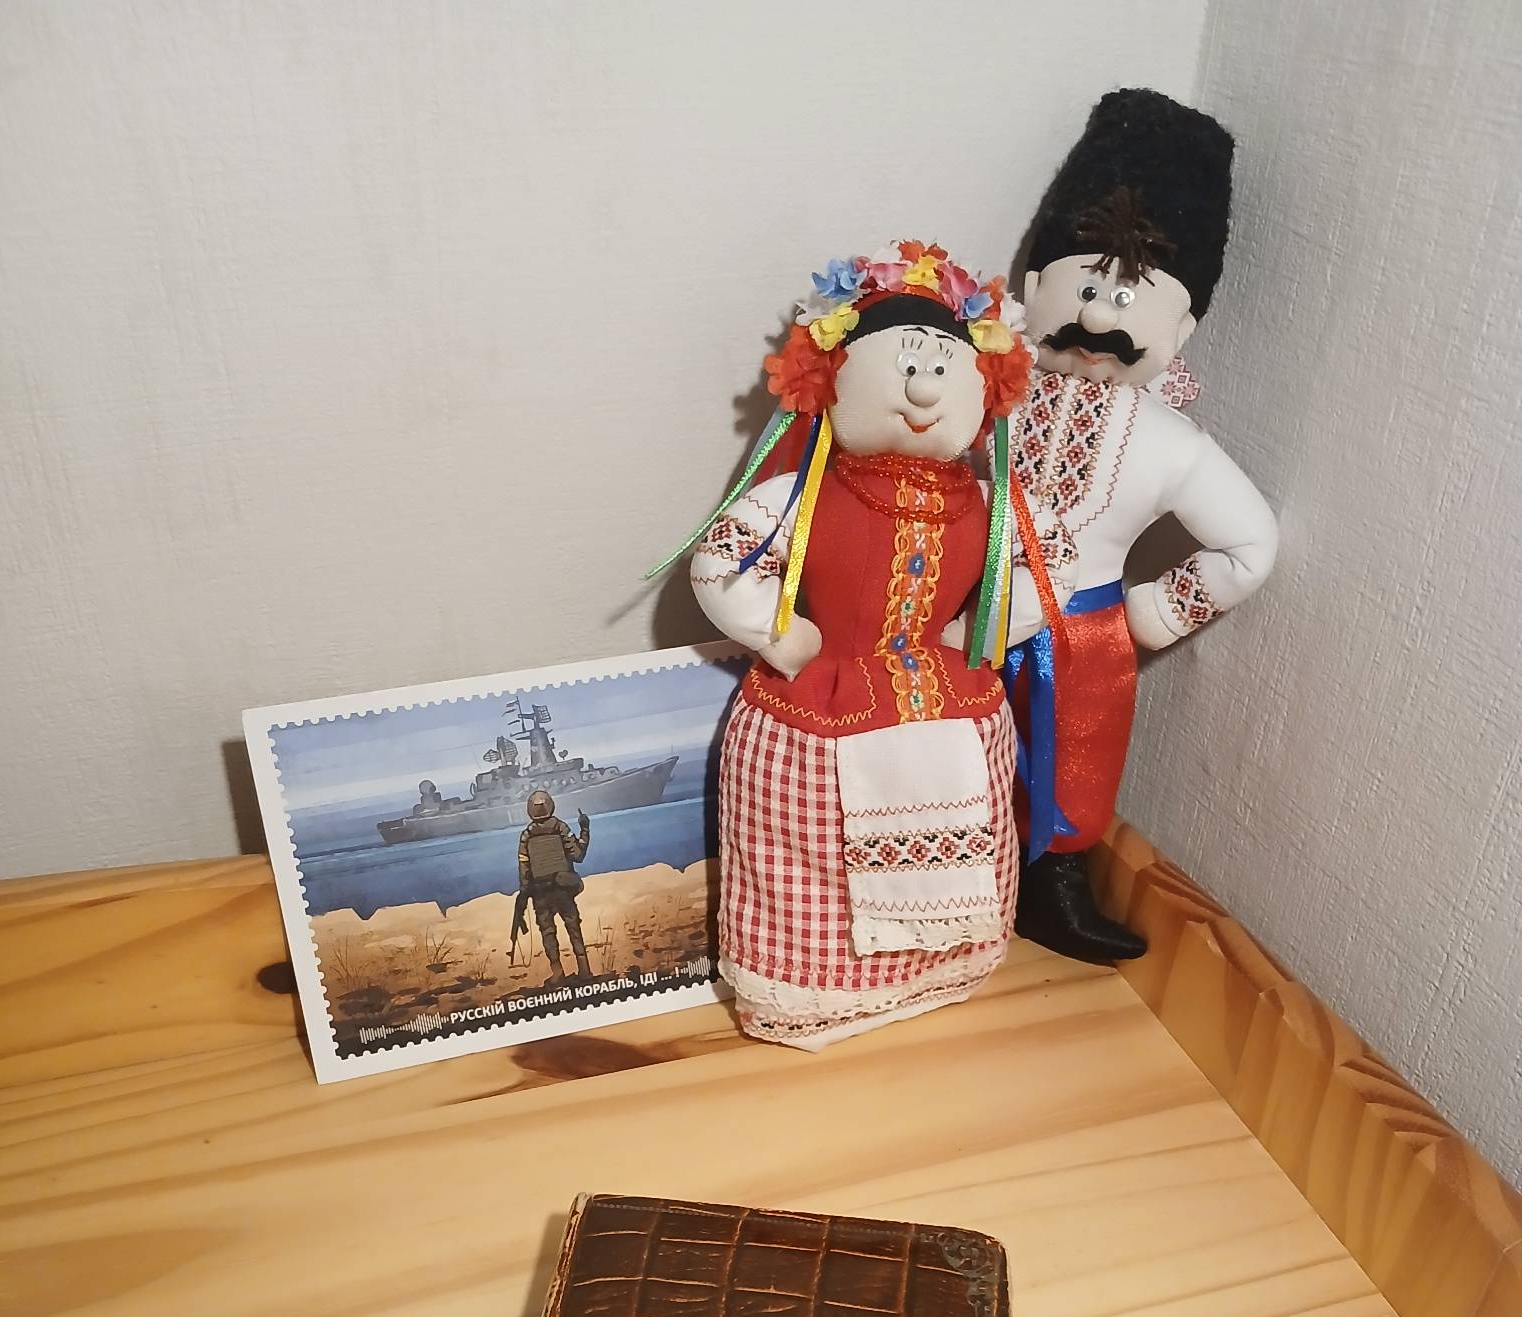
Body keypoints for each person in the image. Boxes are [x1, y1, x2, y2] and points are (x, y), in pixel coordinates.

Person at [661, 241, 1054, 1049]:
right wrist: (784, 635)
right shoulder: (803, 495)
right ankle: (811, 989)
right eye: (904, 367)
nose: (923, 388)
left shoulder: (992, 502)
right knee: (805, 846)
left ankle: (944, 964)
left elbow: (1049, 565)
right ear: (830, 380)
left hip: (950, 692)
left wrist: (979, 629)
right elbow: (719, 561)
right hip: (823, 690)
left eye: (942, 369)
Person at [1004, 88, 1278, 963]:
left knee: (1073, 763)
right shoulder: (985, 390)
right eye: (1086, 286)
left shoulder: (1172, 442)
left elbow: (1250, 544)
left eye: (1130, 296)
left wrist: (1153, 613)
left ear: (1182, 327)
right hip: (957, 605)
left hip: (1083, 631)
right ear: (1035, 287)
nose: (1098, 318)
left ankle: (1050, 884)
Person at [517, 790, 591, 980]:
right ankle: (584, 970)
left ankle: (557, 974)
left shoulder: (526, 835)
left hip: (540, 892)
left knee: (547, 932)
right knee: (573, 927)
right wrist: (584, 830)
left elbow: (524, 868)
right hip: (563, 889)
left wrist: (525, 892)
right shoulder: (561, 827)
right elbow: (578, 855)